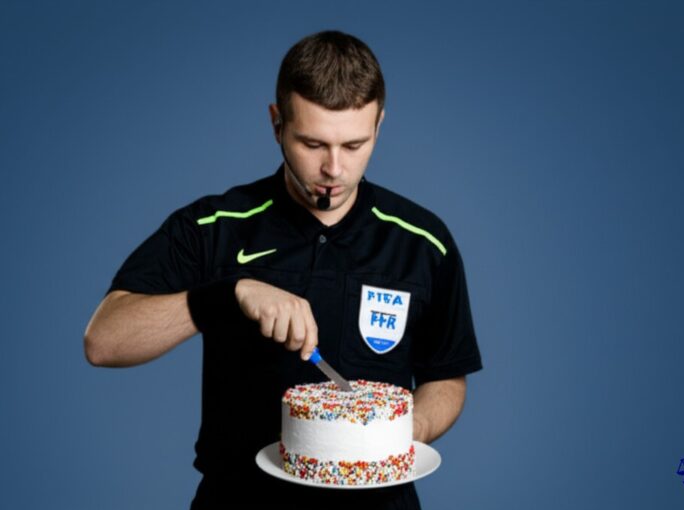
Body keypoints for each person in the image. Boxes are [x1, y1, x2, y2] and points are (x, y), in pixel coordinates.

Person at [84, 30, 482, 509]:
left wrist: (400, 430)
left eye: (354, 145)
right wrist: (228, 295)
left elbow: (447, 377)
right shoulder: (214, 226)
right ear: (276, 124)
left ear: (379, 125)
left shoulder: (422, 241)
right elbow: (104, 341)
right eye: (312, 144)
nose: (333, 169)